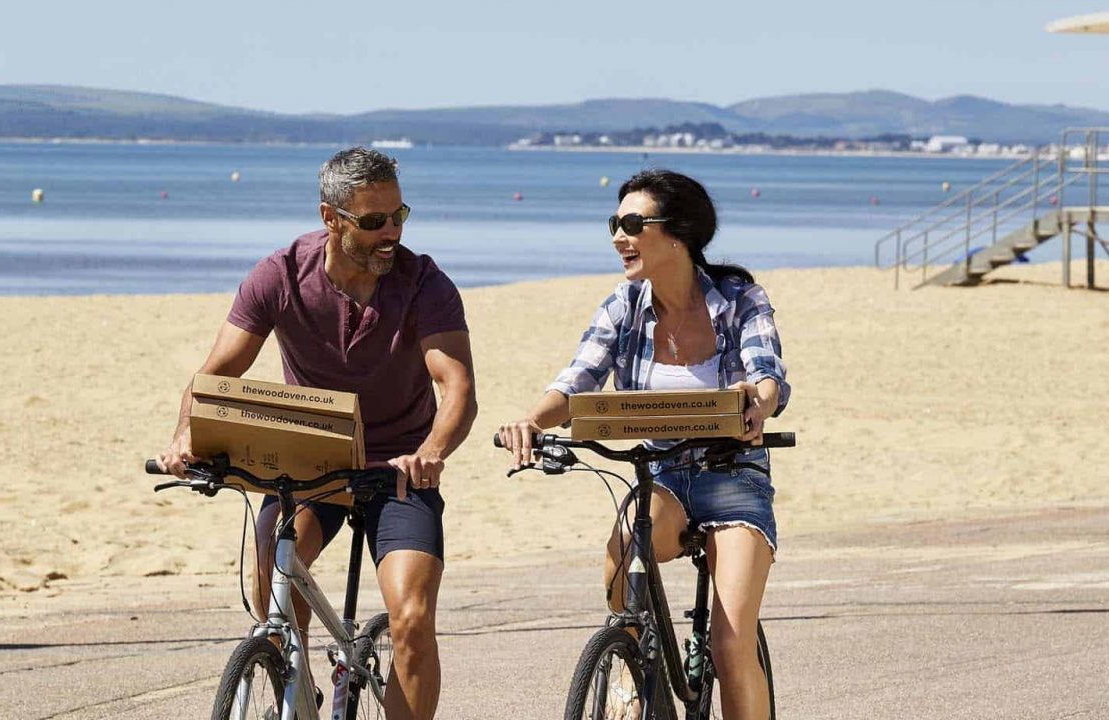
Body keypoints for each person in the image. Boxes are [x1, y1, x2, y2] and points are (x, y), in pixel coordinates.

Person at [155, 147, 476, 720]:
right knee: (270, 599)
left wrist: (430, 453)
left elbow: (457, 388)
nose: (391, 233)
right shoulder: (279, 275)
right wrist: (186, 435)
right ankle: (296, 691)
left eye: (400, 216)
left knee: (411, 618)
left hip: (397, 470)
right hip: (309, 463)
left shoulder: (424, 282)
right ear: (331, 218)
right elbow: (215, 376)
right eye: (374, 221)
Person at [497, 169, 788, 719]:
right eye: (614, 222)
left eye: (632, 223)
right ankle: (636, 679)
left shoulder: (738, 297)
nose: (617, 236)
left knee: (730, 646)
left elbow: (768, 374)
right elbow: (577, 379)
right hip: (662, 476)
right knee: (620, 584)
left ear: (677, 233)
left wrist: (757, 400)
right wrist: (532, 421)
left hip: (733, 479)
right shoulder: (623, 305)